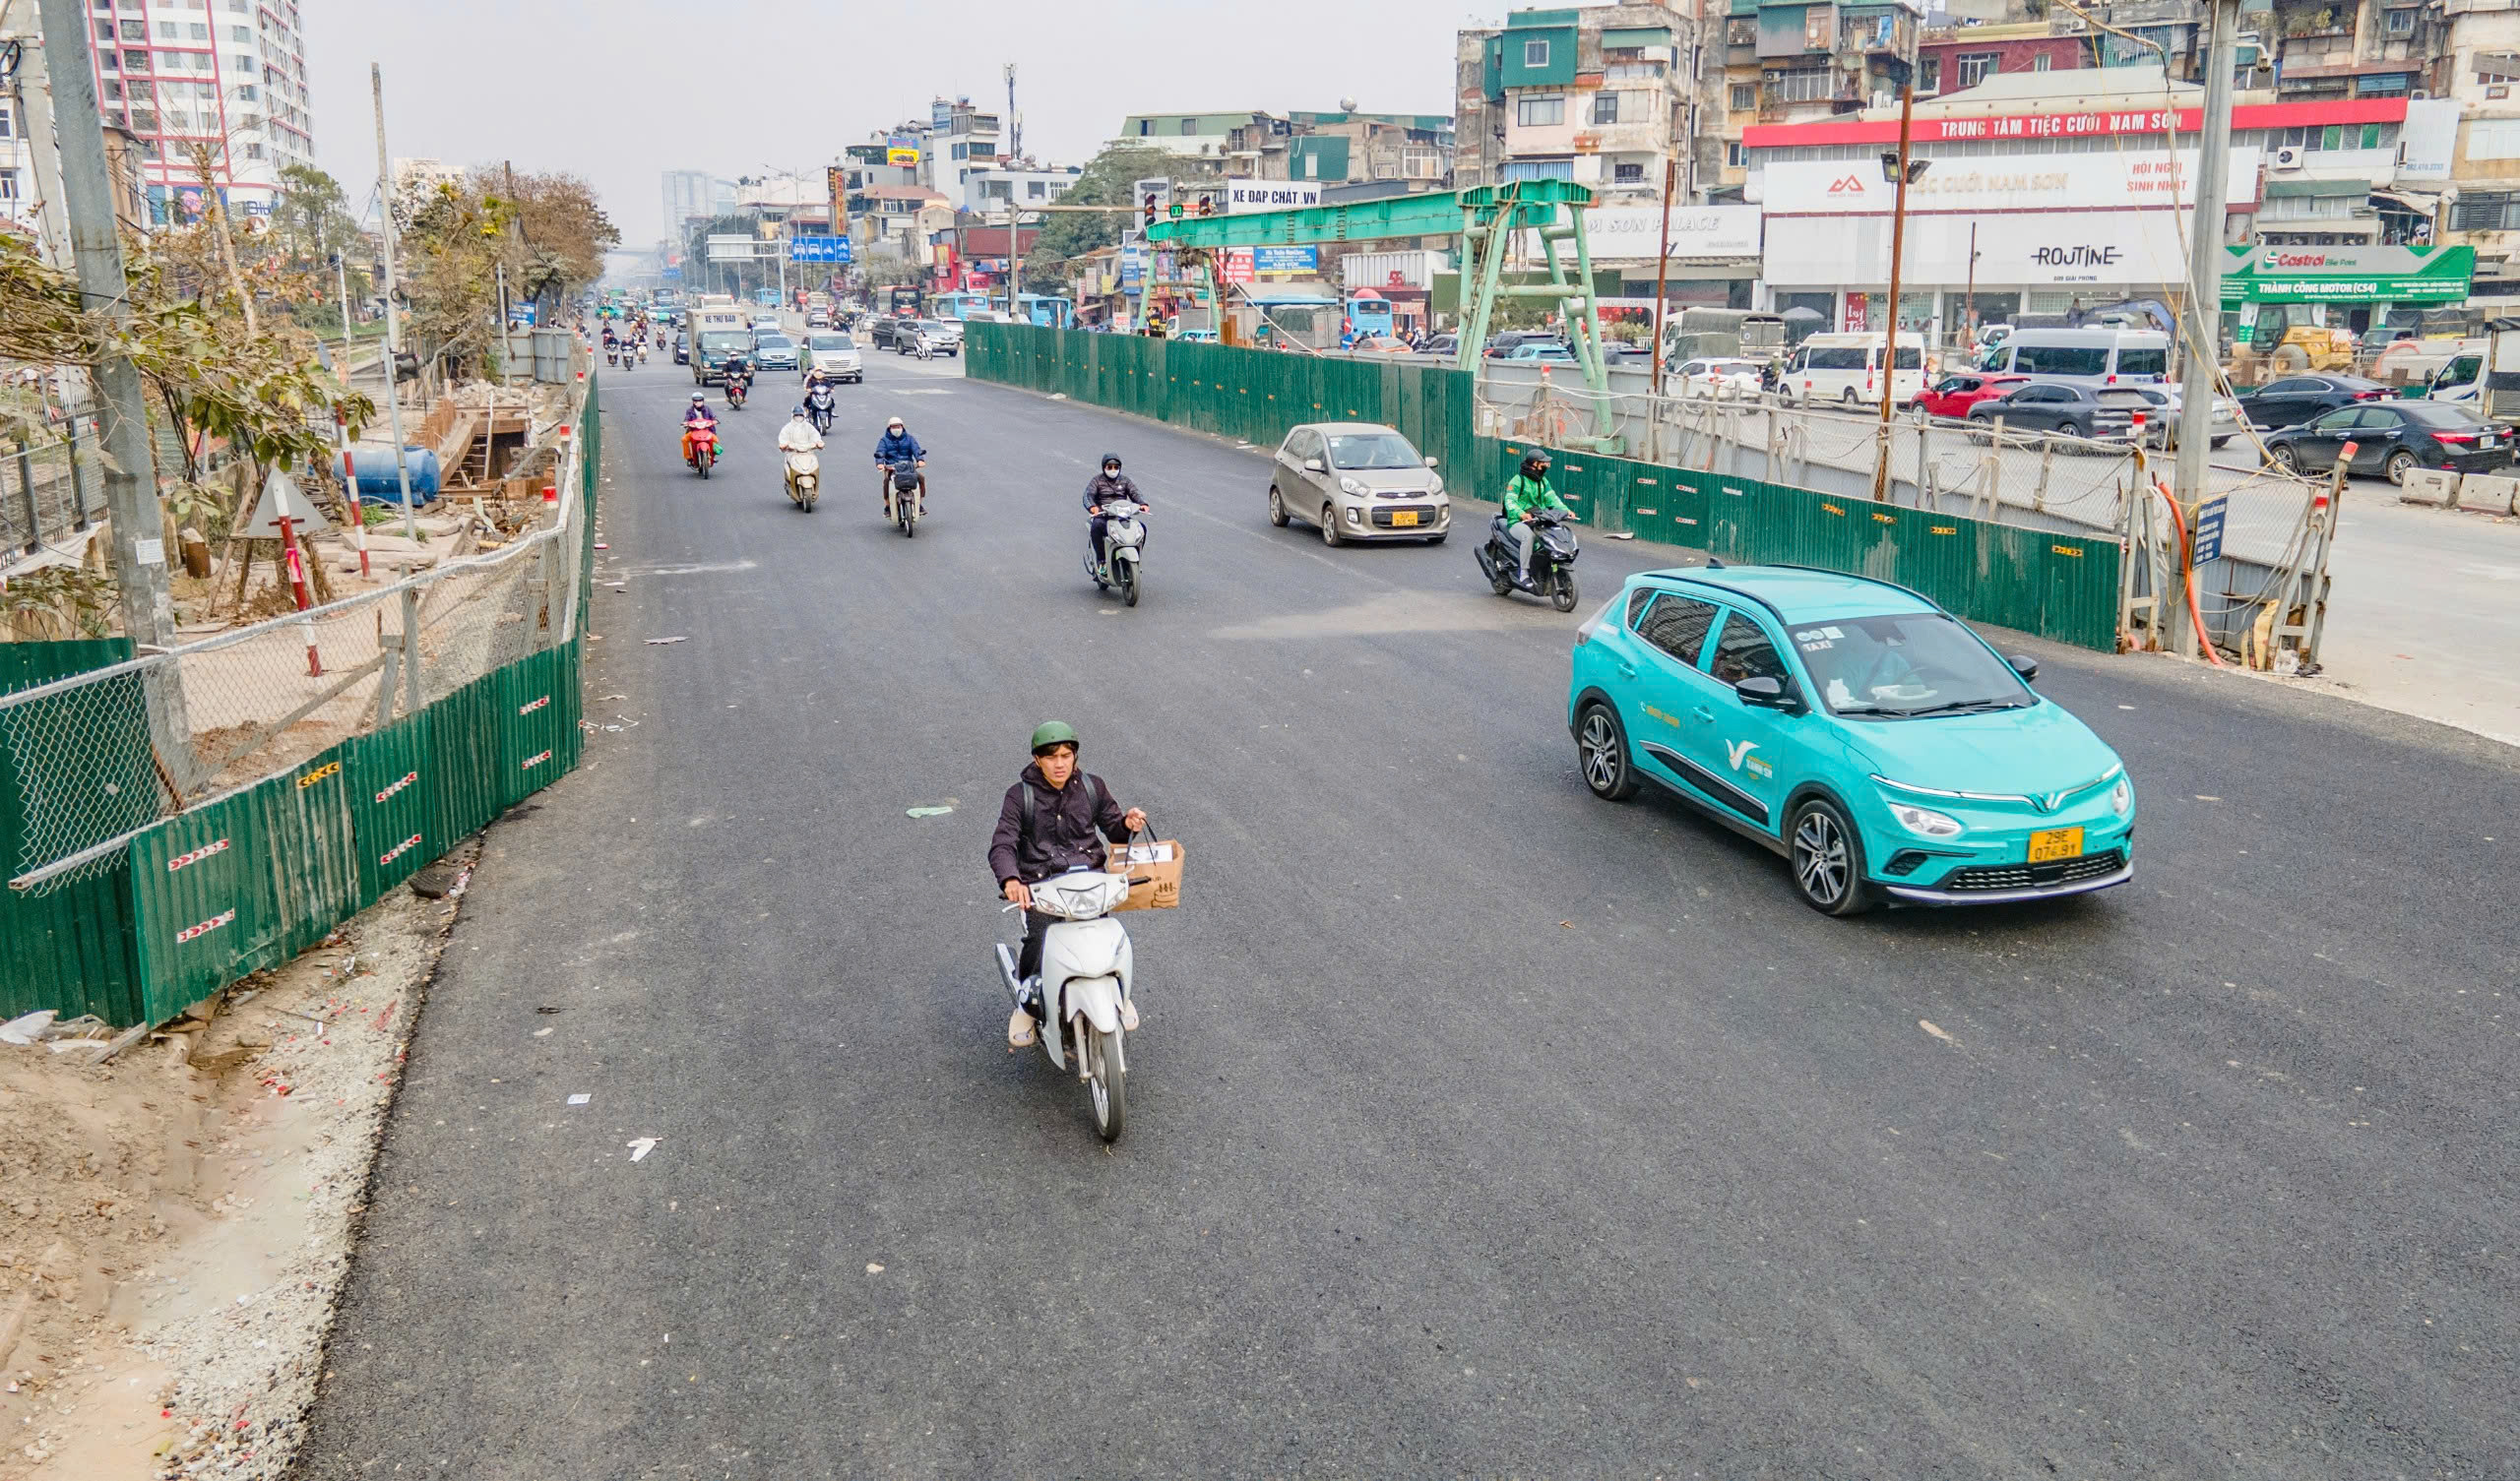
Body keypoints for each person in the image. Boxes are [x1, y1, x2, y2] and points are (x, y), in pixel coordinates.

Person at [987, 721, 1147, 1049]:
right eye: (1051, 757)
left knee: (1107, 937)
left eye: (1066, 755)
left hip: (1090, 883)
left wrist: (1128, 825)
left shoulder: (1092, 787)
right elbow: (1002, 843)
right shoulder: (1020, 796)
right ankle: (1027, 1005)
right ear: (1037, 760)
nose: (1060, 763)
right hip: (1042, 885)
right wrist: (1013, 879)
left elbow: (1114, 830)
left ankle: (1116, 991)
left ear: (1074, 756)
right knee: (1040, 937)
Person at [1500, 450, 1573, 584]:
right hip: (1517, 521)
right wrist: (1521, 514)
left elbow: (1553, 498)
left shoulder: (1543, 481)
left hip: (1539, 519)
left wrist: (1566, 510)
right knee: (1529, 537)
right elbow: (1509, 501)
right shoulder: (1517, 481)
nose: (1546, 466)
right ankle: (1523, 573)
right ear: (1534, 464)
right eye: (1543, 463)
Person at [1083, 453, 1143, 574]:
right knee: (1096, 527)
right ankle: (1102, 561)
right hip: (1103, 516)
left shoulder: (1125, 481)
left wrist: (1143, 503)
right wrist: (1093, 507)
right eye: (1109, 467)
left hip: (1122, 517)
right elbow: (1087, 495)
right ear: (1104, 467)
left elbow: (1135, 493)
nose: (1113, 469)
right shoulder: (1097, 481)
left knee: (1141, 529)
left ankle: (1135, 559)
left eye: (1116, 467)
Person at [872, 414, 925, 517]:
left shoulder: (910, 439)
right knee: (887, 482)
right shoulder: (884, 441)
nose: (896, 429)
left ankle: (919, 504)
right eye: (894, 427)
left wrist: (920, 460)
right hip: (892, 468)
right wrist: (879, 463)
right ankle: (887, 506)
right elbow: (880, 452)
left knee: (921, 479)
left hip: (908, 468)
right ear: (889, 428)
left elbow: (916, 449)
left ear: (902, 427)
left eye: (898, 426)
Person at [680, 393, 718, 466]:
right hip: (694, 430)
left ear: (703, 401)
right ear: (693, 402)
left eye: (700, 401)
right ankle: (689, 458)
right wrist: (685, 423)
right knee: (684, 439)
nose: (698, 403)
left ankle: (712, 457)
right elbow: (686, 419)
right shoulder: (689, 410)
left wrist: (715, 421)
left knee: (715, 440)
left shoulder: (707, 408)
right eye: (696, 401)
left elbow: (713, 417)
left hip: (707, 430)